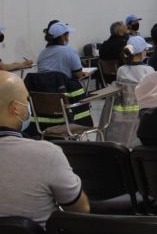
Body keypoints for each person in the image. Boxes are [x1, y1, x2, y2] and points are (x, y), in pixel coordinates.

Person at [0, 71, 90, 225]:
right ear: (15, 108)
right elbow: (81, 209)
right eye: (26, 99)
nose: (28, 104)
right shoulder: (46, 154)